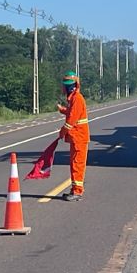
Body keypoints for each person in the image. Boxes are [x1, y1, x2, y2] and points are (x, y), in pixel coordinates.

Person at [57, 71, 90, 200]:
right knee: (74, 164)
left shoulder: (77, 99)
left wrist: (62, 132)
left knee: (77, 165)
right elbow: (71, 113)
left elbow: (71, 120)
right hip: (76, 138)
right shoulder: (73, 99)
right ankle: (74, 190)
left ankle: (77, 192)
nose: (65, 88)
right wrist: (62, 110)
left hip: (79, 138)